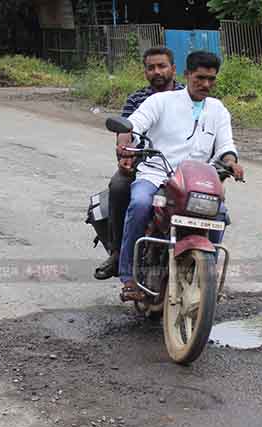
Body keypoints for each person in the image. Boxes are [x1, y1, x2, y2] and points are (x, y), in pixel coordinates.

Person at [117, 51, 245, 302]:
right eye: (199, 78)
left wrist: (231, 162)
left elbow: (226, 146)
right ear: (186, 75)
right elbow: (134, 125)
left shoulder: (218, 109)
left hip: (197, 182)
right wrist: (125, 141)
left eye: (211, 79)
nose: (205, 84)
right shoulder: (161, 102)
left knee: (218, 215)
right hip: (157, 174)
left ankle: (206, 281)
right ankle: (128, 276)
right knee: (141, 203)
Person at [94, 46, 184, 280]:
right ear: (145, 72)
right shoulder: (136, 99)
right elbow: (125, 132)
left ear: (173, 69)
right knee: (119, 186)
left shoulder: (186, 97)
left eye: (162, 66)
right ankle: (117, 253)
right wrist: (124, 155)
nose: (157, 71)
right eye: (151, 67)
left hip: (180, 167)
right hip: (142, 165)